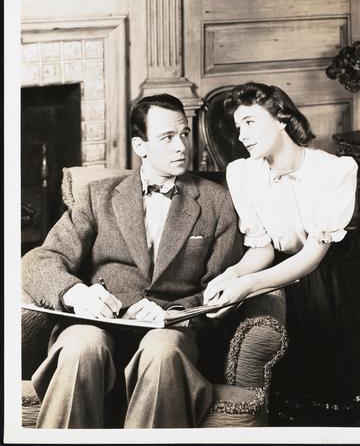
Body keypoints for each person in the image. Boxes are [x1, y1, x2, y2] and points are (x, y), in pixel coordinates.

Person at [22, 93, 243, 428]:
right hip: (97, 325)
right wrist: (75, 294)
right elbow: (40, 260)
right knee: (81, 346)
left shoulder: (218, 202)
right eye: (167, 137)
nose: (181, 146)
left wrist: (175, 313)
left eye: (184, 134)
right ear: (141, 146)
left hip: (169, 332)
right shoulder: (97, 196)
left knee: (162, 351)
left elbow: (222, 288)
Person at [203, 82, 360, 426]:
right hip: (273, 276)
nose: (242, 135)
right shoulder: (243, 174)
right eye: (238, 127)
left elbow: (311, 258)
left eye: (250, 122)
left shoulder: (333, 171)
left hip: (320, 280)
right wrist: (233, 275)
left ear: (281, 118)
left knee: (329, 379)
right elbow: (261, 249)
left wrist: (248, 285)